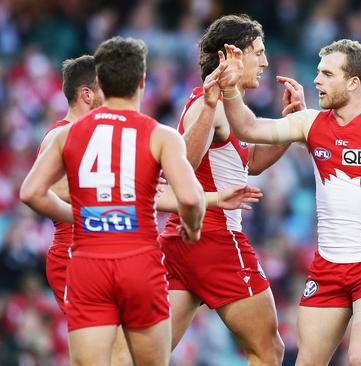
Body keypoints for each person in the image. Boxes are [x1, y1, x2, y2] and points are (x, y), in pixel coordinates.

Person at [37, 54, 263, 366]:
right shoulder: (61, 135)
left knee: (127, 352)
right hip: (76, 255)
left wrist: (211, 199)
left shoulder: (110, 136)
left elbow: (144, 195)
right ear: (88, 94)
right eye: (109, 88)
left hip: (118, 255)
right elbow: (49, 191)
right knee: (106, 354)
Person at [217, 38, 361, 366]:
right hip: (328, 266)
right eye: (318, 72)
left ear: (353, 82)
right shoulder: (310, 123)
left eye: (327, 74)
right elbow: (248, 127)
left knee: (360, 359)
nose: (316, 80)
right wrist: (229, 89)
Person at [20, 36, 207, 366]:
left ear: (102, 84)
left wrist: (87, 216)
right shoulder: (157, 134)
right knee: (132, 357)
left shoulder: (69, 135)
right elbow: (188, 198)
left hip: (87, 258)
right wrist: (192, 227)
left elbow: (31, 192)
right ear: (142, 82)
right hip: (135, 256)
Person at [158, 14, 299, 365]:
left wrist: (289, 124)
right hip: (216, 240)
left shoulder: (222, 105)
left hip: (182, 242)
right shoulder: (209, 104)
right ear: (233, 54)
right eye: (259, 53)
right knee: (268, 351)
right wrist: (209, 104)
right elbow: (182, 165)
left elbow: (249, 163)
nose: (265, 62)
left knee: (150, 356)